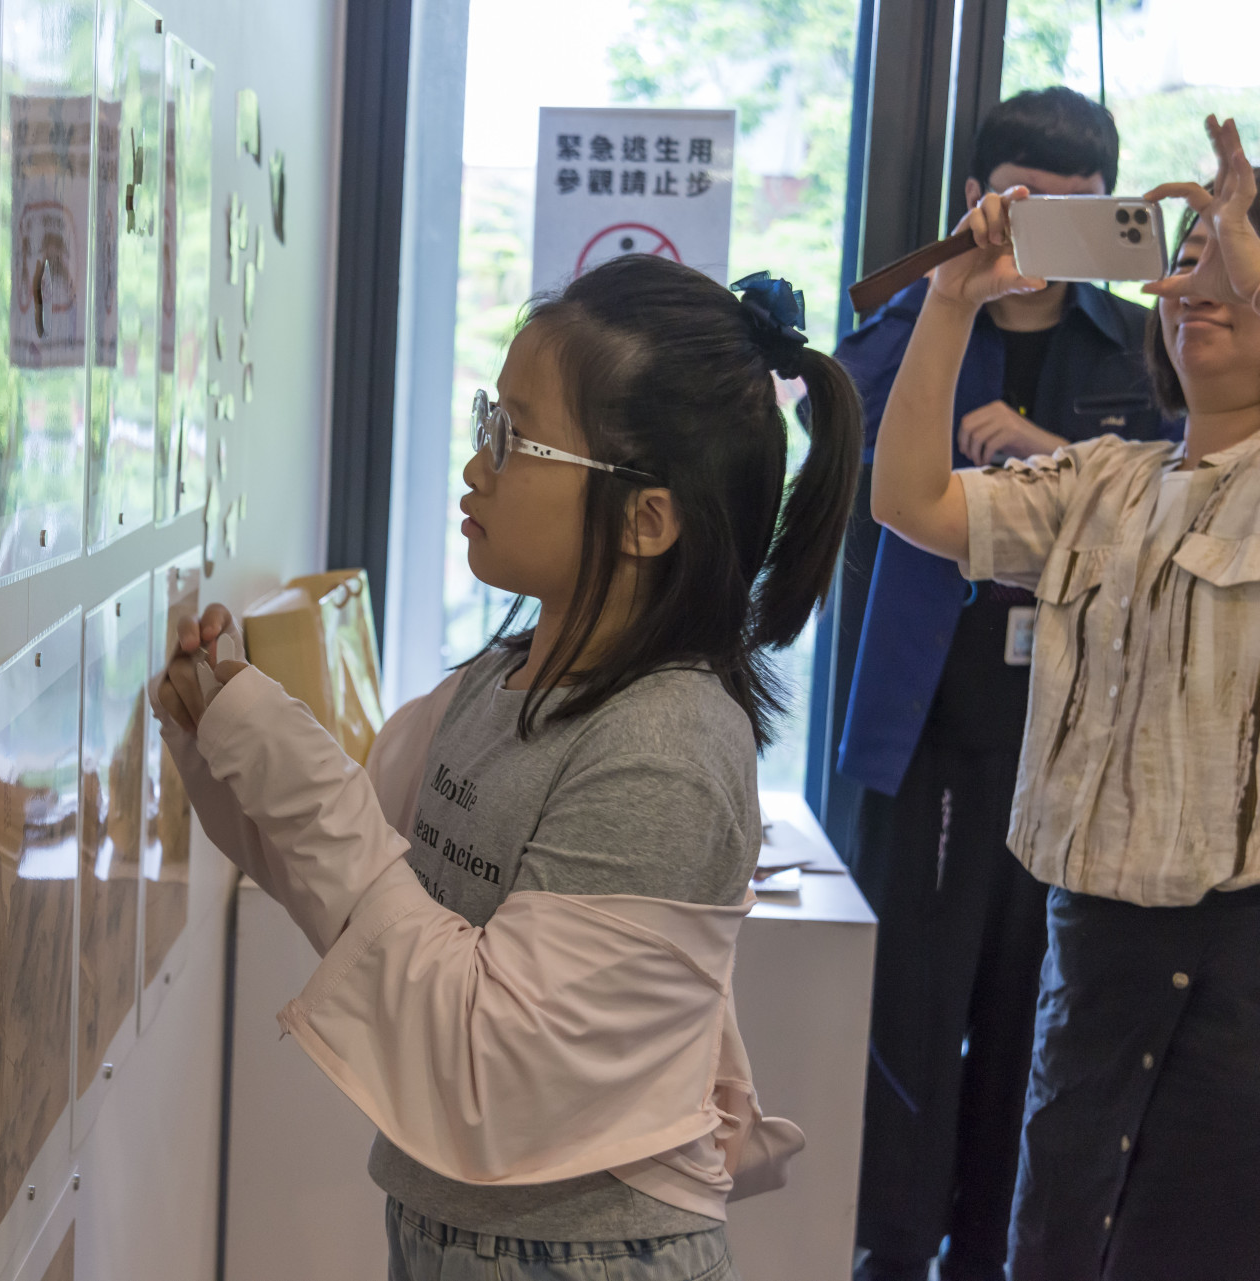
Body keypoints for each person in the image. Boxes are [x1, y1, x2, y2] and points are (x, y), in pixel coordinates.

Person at [151, 253, 861, 1281]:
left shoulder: (667, 750)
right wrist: (220, 730)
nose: (477, 466)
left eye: (515, 439)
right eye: (490, 420)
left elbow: (486, 1060)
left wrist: (274, 754)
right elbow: (350, 888)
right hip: (451, 1230)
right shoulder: (507, 673)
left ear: (647, 518)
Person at [869, 114, 1260, 1281]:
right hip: (1087, 951)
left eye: (1233, 263)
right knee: (1053, 1242)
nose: (1201, 283)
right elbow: (910, 500)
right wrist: (952, 303)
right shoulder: (1106, 479)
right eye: (1188, 259)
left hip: (1235, 968)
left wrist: (1246, 256)